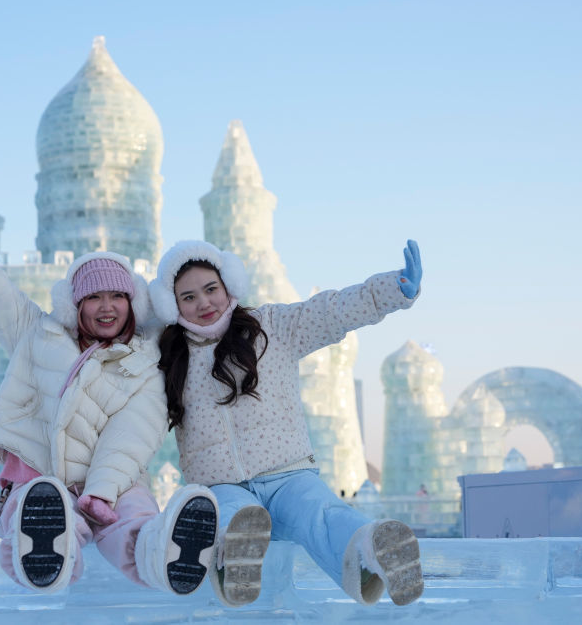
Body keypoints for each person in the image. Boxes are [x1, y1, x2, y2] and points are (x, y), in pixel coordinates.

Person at [0, 206, 218, 596]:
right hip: (39, 477)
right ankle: (49, 554)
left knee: (131, 521)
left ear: (133, 303)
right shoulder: (37, 335)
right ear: (74, 304)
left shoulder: (144, 361)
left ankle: (164, 553)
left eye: (117, 296)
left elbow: (133, 432)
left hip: (115, 478)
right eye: (94, 297)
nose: (107, 306)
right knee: (37, 510)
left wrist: (101, 491)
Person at [149, 239, 425, 607]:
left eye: (211, 289)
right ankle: (235, 557)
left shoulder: (270, 327)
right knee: (231, 514)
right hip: (222, 481)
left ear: (228, 285)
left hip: (288, 473)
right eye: (188, 297)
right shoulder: (169, 356)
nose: (204, 302)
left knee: (320, 513)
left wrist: (391, 289)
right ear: (172, 305)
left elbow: (329, 312)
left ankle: (373, 549)